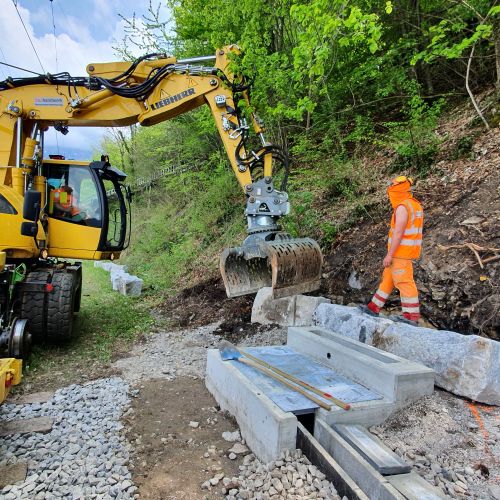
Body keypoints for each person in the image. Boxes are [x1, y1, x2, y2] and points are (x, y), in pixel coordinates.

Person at [361, 176, 424, 324]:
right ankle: (374, 307)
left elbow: (398, 233)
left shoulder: (402, 207)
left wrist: (389, 255)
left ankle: (411, 316)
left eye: (392, 186)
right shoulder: (414, 205)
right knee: (388, 280)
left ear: (397, 189)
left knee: (404, 282)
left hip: (400, 253)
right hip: (405, 252)